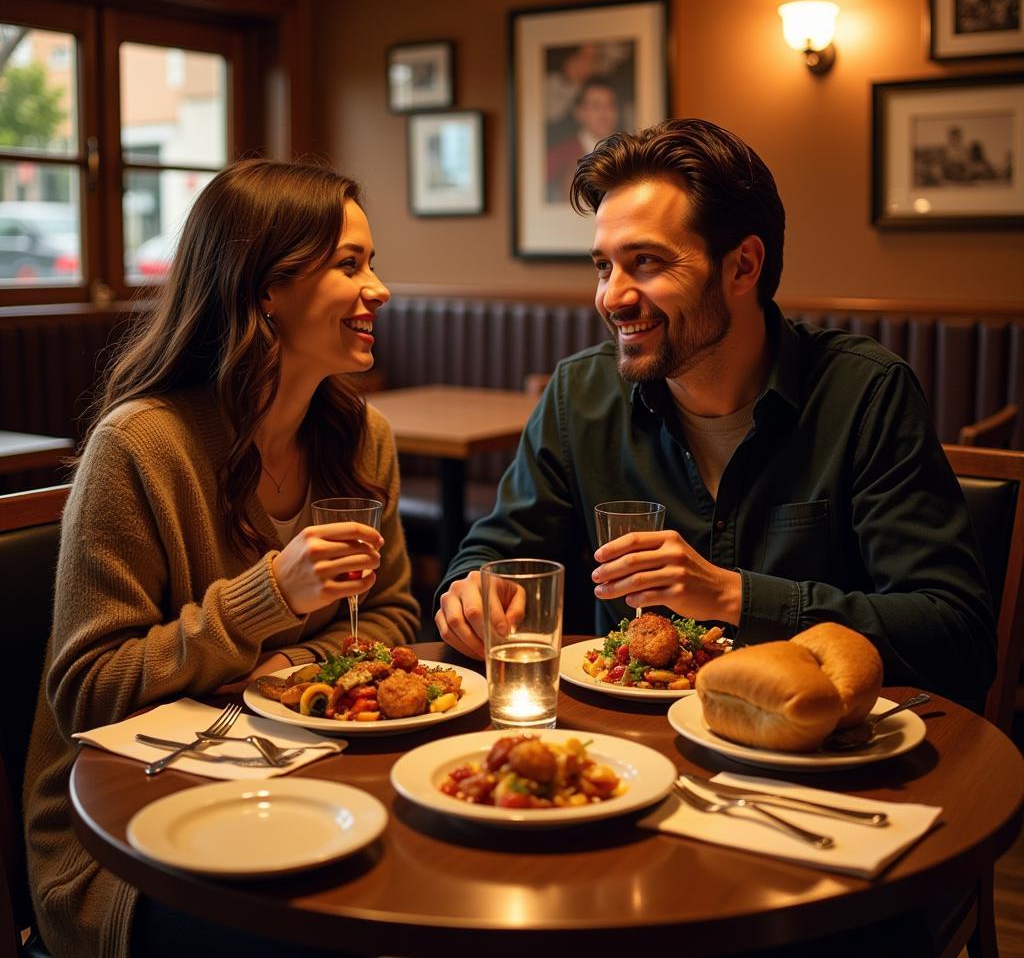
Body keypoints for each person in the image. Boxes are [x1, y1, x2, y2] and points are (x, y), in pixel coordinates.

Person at [435, 118, 996, 715]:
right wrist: (471, 593)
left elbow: (956, 636)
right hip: (628, 754)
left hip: (812, 758)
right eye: (604, 266)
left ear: (742, 267)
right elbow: (492, 558)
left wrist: (733, 594)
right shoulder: (580, 394)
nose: (612, 296)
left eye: (645, 261)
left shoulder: (863, 394)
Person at [24, 158, 419, 958]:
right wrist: (269, 595)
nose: (378, 288)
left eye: (371, 263)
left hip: (302, 785)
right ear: (265, 288)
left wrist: (292, 671)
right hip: (126, 836)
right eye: (350, 264)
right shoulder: (142, 446)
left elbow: (394, 615)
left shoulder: (361, 439)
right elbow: (89, 693)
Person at [546, 77, 622, 202]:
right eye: (596, 106)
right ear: (579, 112)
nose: (604, 113)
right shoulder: (559, 156)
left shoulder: (628, 153)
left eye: (610, 105)